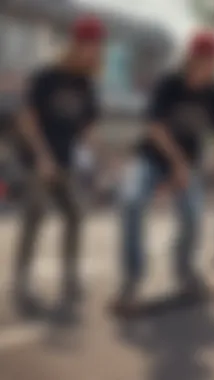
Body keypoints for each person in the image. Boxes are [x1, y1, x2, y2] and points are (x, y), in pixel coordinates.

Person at [112, 30, 214, 313]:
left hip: (187, 165)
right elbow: (154, 128)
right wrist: (178, 164)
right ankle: (131, 282)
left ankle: (187, 275)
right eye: (202, 59)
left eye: (212, 61)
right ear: (190, 58)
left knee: (193, 215)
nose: (207, 66)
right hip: (150, 159)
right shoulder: (169, 83)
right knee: (131, 201)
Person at [14, 16, 105, 314]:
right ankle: (22, 280)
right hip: (37, 159)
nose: (92, 53)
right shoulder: (47, 77)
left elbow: (87, 127)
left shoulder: (87, 84)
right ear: (75, 45)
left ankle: (70, 276)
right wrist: (42, 157)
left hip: (65, 162)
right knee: (36, 212)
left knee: (75, 214)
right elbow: (27, 120)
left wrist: (96, 157)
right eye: (87, 46)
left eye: (96, 47)